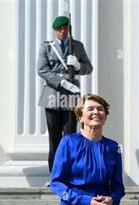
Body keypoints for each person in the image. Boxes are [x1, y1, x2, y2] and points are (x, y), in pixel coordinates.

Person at [37, 15, 93, 175]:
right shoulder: (47, 47)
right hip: (52, 96)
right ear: (55, 31)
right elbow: (42, 69)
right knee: (54, 138)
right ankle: (55, 174)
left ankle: (69, 172)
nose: (62, 31)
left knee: (70, 136)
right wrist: (60, 82)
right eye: (59, 29)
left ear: (69, 29)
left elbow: (89, 68)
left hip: (71, 97)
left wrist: (77, 65)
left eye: (65, 28)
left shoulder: (77, 46)